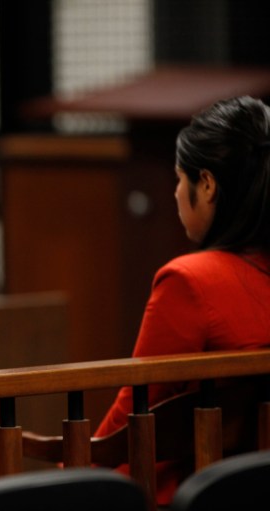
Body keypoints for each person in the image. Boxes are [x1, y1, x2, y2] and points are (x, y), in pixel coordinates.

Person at [94, 95, 270, 505]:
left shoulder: (191, 281)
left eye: (179, 178)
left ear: (207, 184)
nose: (175, 194)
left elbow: (132, 412)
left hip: (193, 493)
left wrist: (71, 475)